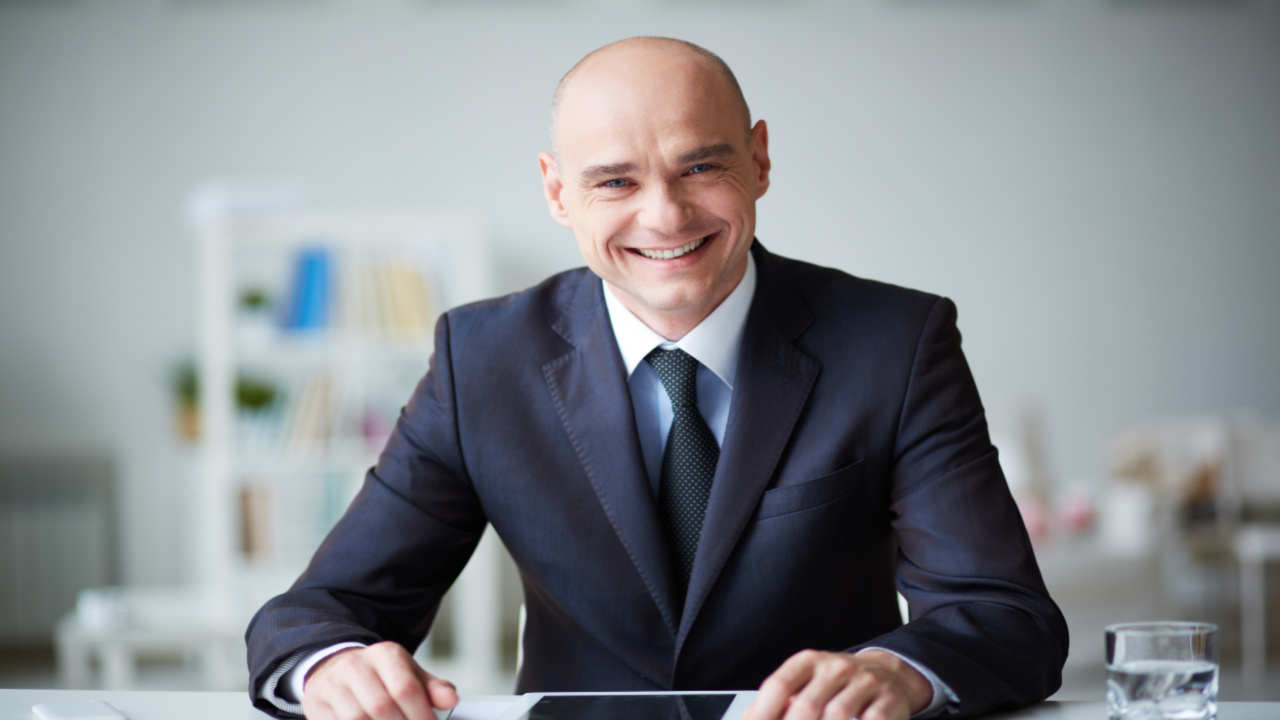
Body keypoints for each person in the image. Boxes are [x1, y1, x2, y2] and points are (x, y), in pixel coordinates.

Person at [246, 37, 1068, 720]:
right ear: (557, 191)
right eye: (616, 181)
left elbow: (1004, 615)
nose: (666, 216)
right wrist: (332, 665)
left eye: (701, 168)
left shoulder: (897, 342)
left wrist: (905, 672)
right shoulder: (480, 359)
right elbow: (315, 614)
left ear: (760, 158)